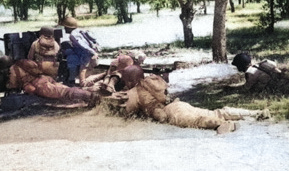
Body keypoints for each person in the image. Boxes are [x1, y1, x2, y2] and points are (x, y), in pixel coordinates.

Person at [111, 69, 270, 134]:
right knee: (216, 111)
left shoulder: (134, 93)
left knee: (196, 121)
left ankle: (220, 124)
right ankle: (255, 113)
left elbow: (149, 112)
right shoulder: (152, 80)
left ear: (131, 80)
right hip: (178, 104)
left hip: (170, 112)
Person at [0, 55, 100, 108]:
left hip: (39, 85)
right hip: (45, 78)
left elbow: (12, 85)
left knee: (63, 93)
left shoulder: (12, 71)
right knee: (65, 88)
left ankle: (91, 97)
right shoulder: (22, 63)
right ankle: (90, 93)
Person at [60, 17, 101, 87]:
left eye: (65, 27)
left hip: (85, 55)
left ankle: (80, 82)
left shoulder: (73, 35)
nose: (64, 29)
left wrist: (93, 52)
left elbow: (82, 45)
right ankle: (85, 81)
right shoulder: (80, 31)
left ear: (69, 27)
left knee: (80, 69)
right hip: (87, 53)